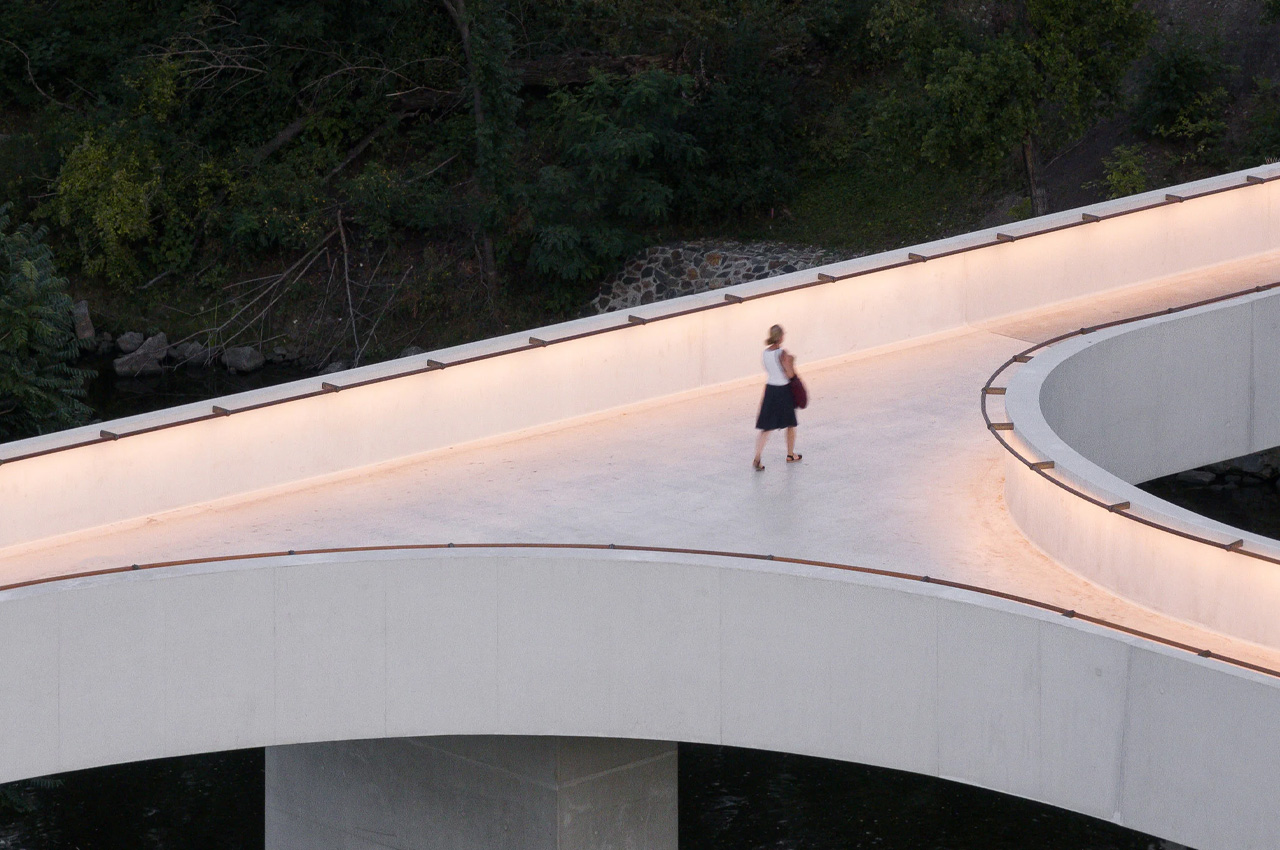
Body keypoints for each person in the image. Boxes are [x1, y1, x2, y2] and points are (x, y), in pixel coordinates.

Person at [752, 324, 801, 470]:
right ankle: (790, 454)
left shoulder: (765, 353)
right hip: (783, 391)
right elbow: (789, 373)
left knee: (766, 427)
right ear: (780, 337)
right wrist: (792, 362)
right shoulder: (782, 353)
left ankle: (757, 457)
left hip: (770, 390)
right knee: (791, 424)